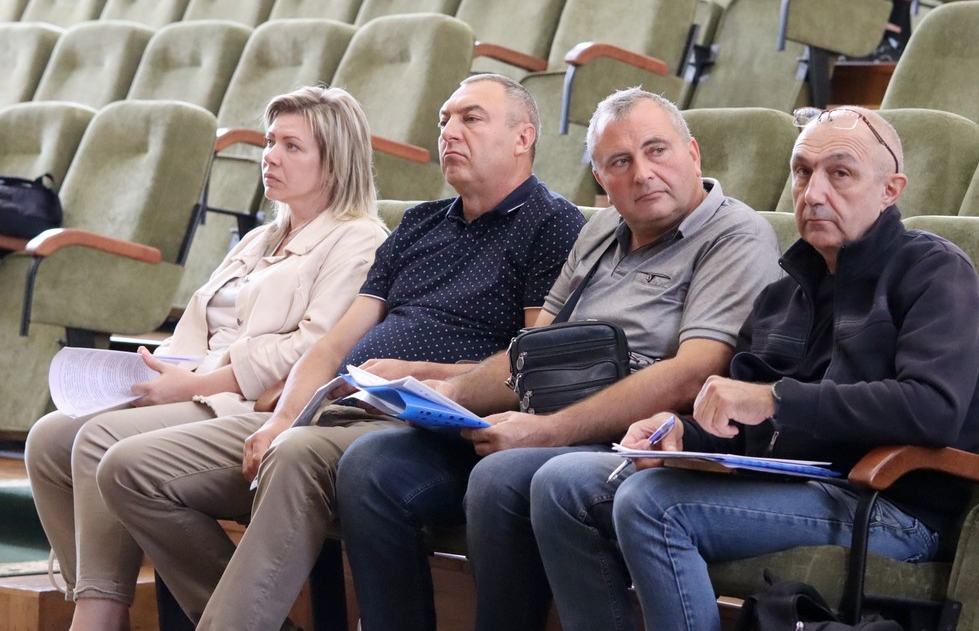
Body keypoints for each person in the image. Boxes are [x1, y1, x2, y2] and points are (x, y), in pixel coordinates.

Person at [97, 73, 586, 630]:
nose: (450, 131)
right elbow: (335, 343)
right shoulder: (421, 222)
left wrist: (414, 372)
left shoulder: (551, 223)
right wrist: (281, 417)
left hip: (423, 425)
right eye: (444, 120)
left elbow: (530, 363)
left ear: (523, 137)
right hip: (336, 405)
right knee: (128, 469)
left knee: (295, 452)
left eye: (470, 118)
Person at [530, 106, 979, 631]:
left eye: (840, 173)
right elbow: (747, 427)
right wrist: (682, 433)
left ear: (890, 190)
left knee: (652, 504)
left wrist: (776, 399)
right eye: (802, 172)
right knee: (561, 487)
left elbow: (932, 409)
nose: (814, 193)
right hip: (791, 483)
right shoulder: (782, 296)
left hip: (888, 505)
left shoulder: (935, 271)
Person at [335, 87, 782, 631]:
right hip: (544, 418)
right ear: (601, 178)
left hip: (631, 436)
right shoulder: (599, 231)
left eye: (657, 151)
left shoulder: (735, 234)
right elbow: (531, 352)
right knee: (371, 467)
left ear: (692, 153)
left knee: (500, 476)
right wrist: (445, 396)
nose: (643, 174)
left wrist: (546, 431)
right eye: (620, 162)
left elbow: (694, 373)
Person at [24, 85, 389, 631]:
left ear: (334, 164)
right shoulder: (260, 238)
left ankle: (100, 613)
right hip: (196, 385)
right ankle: (93, 594)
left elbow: (312, 348)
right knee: (49, 438)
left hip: (252, 402)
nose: (270, 156)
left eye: (292, 146)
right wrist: (155, 371)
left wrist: (193, 385)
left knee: (98, 440)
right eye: (269, 142)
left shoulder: (358, 239)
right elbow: (196, 329)